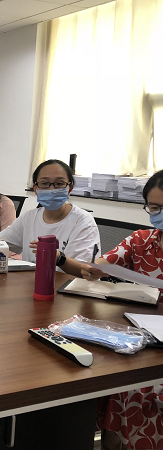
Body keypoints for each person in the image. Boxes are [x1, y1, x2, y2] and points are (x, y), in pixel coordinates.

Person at [61, 169, 163, 450]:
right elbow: (103, 263)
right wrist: (94, 269)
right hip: (142, 335)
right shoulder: (141, 240)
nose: (159, 214)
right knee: (101, 371)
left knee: (141, 387)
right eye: (154, 208)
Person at [0, 159, 100, 265]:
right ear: (35, 189)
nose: (52, 189)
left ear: (69, 188)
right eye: (45, 183)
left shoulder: (83, 221)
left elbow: (86, 271)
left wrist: (56, 257)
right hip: (31, 284)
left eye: (59, 184)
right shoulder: (29, 217)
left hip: (65, 288)